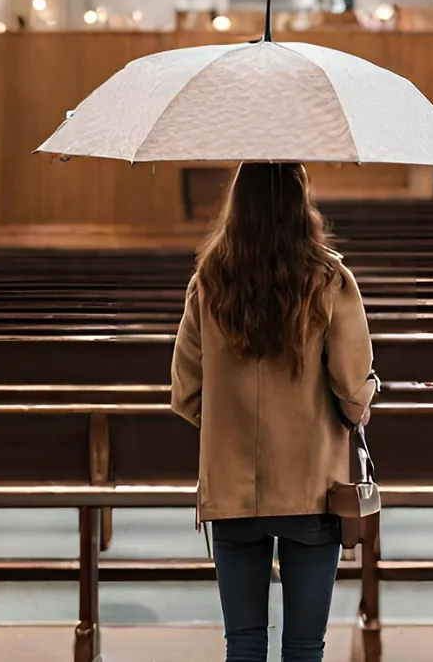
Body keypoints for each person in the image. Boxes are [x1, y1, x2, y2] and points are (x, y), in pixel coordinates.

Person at [171, 162, 377, 662]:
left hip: (233, 488)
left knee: (242, 644)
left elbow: (185, 392)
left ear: (236, 207)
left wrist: (231, 428)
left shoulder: (210, 280)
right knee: (304, 646)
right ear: (299, 206)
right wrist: (364, 397)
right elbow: (352, 392)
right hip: (311, 489)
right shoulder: (329, 279)